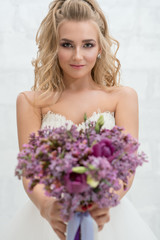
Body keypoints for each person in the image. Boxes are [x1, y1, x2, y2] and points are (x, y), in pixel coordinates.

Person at [4, 0, 158, 239]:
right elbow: (29, 171)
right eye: (67, 44)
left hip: (105, 216)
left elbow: (127, 168)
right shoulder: (30, 101)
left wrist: (105, 201)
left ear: (100, 48)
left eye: (87, 45)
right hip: (49, 218)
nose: (78, 56)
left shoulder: (122, 98)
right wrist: (47, 207)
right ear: (53, 46)